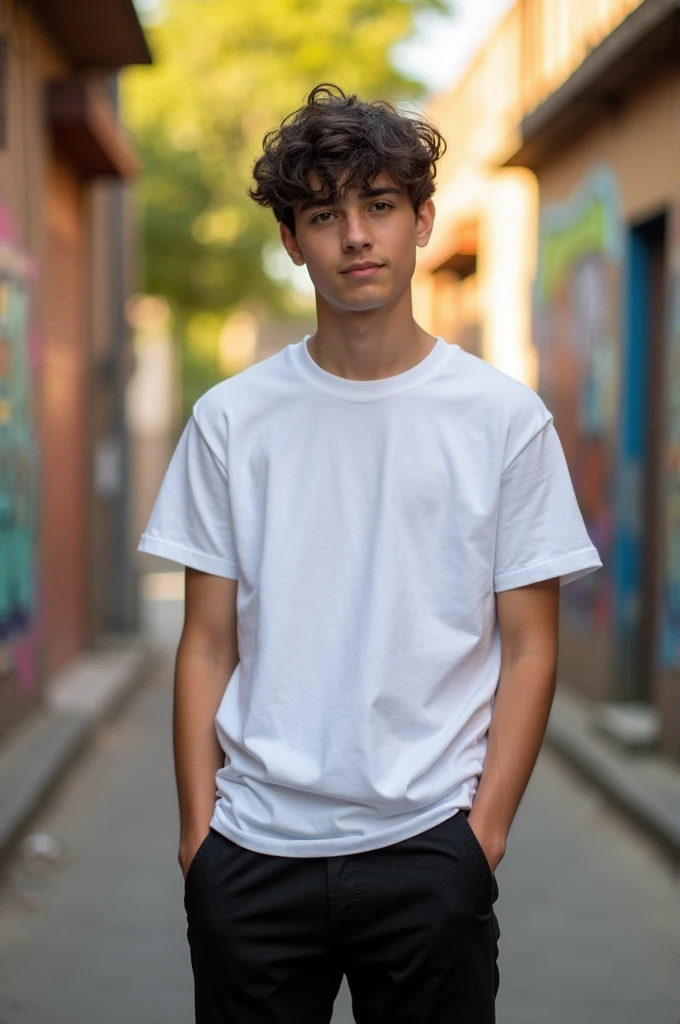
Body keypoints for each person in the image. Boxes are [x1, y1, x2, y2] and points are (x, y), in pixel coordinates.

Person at [138, 84, 602, 1024]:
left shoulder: (503, 420)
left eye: (380, 205)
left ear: (422, 219)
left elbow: (532, 644)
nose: (356, 235)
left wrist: (484, 837)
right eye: (324, 213)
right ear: (292, 240)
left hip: (430, 848)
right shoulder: (232, 420)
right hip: (255, 852)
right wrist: (200, 843)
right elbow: (206, 643)